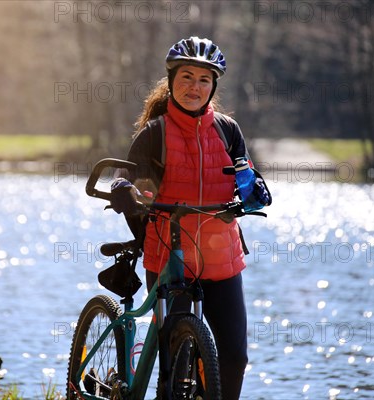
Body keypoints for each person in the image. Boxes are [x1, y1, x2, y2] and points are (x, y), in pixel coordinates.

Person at [112, 36, 271, 400]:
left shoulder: (228, 130)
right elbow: (132, 179)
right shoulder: (155, 135)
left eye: (203, 80)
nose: (194, 87)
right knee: (176, 362)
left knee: (234, 357)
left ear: (213, 86)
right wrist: (124, 189)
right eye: (186, 77)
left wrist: (254, 190)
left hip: (221, 259)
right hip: (170, 257)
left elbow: (245, 176)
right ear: (171, 82)